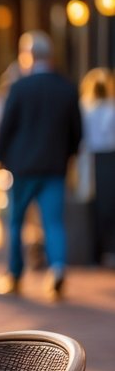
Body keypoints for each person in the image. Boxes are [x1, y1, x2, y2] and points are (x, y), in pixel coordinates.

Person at [0, 31, 82, 300]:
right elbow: (77, 131)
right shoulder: (66, 87)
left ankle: (15, 275)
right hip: (54, 166)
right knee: (53, 222)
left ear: (28, 56)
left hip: (22, 167)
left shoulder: (19, 87)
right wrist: (69, 155)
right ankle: (57, 269)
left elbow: (6, 128)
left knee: (16, 222)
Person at [79, 68, 115, 266]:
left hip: (93, 159)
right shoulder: (110, 109)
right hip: (107, 157)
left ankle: (96, 251)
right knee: (108, 204)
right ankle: (107, 249)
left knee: (94, 205)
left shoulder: (86, 109)